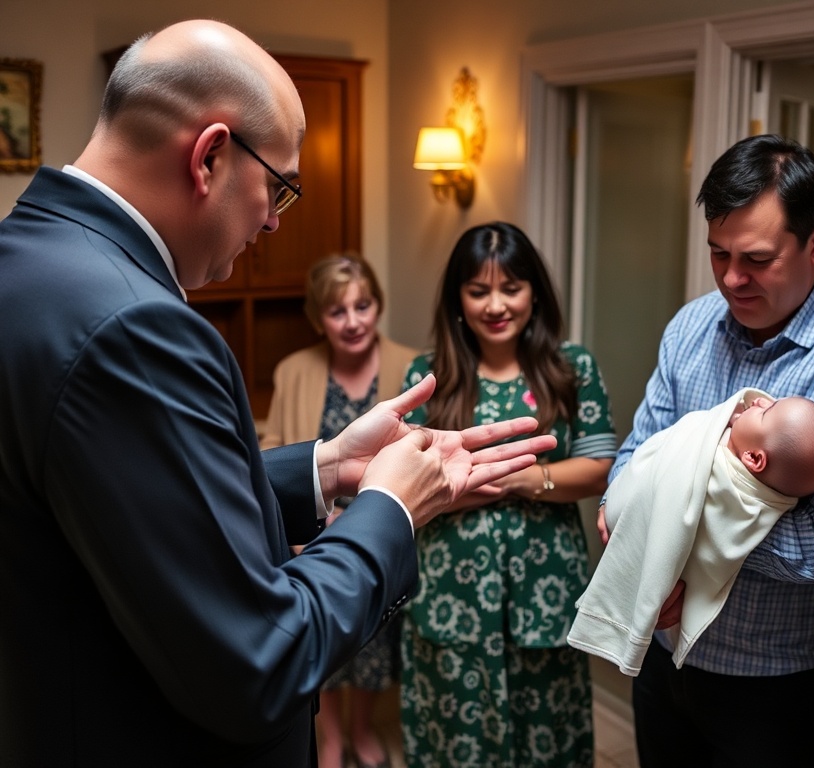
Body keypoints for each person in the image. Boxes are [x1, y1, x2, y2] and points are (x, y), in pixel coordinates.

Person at [0, 21, 555, 767]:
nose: (270, 219)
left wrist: (325, 468)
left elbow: (124, 500)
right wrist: (392, 508)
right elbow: (259, 660)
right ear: (210, 156)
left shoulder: (31, 258)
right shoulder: (134, 327)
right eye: (279, 186)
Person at [609, 134, 814, 768]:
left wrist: (667, 530)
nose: (731, 278)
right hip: (663, 649)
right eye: (718, 254)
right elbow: (632, 457)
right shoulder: (691, 326)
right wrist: (634, 516)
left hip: (770, 680)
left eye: (755, 258)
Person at [399, 221, 617, 768]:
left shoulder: (571, 367)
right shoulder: (428, 374)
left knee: (545, 729)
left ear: (534, 291)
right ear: (458, 299)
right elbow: (407, 485)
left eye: (511, 288)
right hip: (450, 589)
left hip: (545, 587)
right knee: (456, 730)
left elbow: (597, 469)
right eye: (478, 291)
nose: (495, 305)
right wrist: (476, 486)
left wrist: (527, 480)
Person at [261, 254, 418, 768]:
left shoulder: (411, 366)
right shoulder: (293, 371)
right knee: (321, 636)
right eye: (337, 311)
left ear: (379, 305)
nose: (352, 321)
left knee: (373, 640)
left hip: (385, 525)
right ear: (316, 317)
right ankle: (328, 734)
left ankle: (361, 726)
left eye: (363, 305)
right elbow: (278, 451)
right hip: (314, 539)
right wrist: (301, 536)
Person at [570, 389, 814, 675]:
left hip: (761, 668)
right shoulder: (681, 343)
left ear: (753, 459)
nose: (760, 400)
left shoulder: (729, 482)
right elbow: (638, 445)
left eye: (765, 412)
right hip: (659, 653)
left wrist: (679, 538)